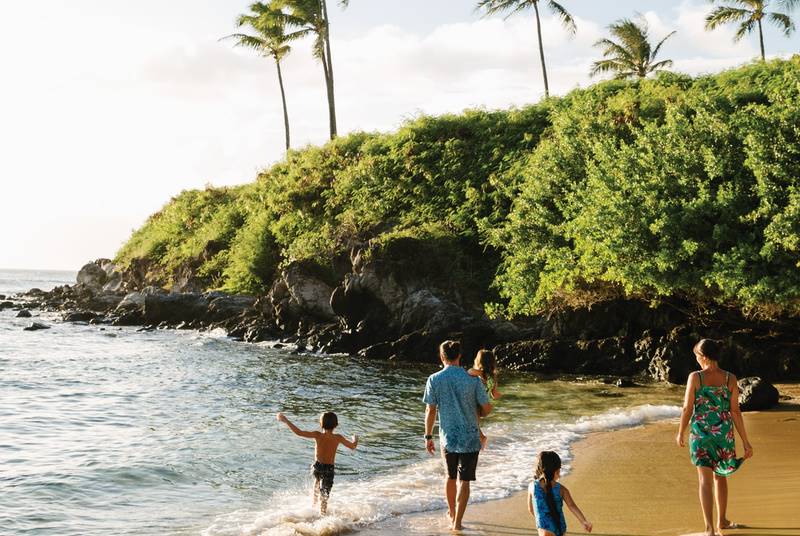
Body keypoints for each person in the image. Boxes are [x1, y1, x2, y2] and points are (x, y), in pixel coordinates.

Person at [675, 338, 753, 536]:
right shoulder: (730, 379)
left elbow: (687, 408)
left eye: (697, 357)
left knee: (704, 481)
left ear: (704, 357)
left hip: (701, 435)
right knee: (721, 477)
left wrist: (680, 431)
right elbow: (735, 411)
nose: (696, 361)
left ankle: (709, 529)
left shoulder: (696, 377)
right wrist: (745, 441)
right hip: (723, 436)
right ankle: (723, 521)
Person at [423, 340, 492, 531]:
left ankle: (451, 511)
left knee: (450, 477)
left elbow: (430, 410)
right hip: (470, 437)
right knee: (465, 480)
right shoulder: (473, 379)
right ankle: (457, 522)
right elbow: (485, 410)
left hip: (448, 437)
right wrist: (483, 409)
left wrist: (428, 436)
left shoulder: (434, 379)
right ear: (460, 356)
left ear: (442, 356)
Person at [276, 411, 358, 515]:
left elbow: (299, 432)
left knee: (317, 481)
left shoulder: (317, 435)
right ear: (336, 425)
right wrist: (355, 439)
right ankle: (322, 513)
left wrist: (286, 420)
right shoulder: (338, 438)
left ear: (320, 424)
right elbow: (352, 447)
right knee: (325, 494)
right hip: (329, 469)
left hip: (318, 466)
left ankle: (313, 504)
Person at [528, 451, 592, 536]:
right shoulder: (562, 490)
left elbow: (530, 509)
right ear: (557, 471)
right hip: (560, 527)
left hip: (544, 528)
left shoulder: (532, 486)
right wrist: (584, 521)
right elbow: (572, 506)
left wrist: (540, 519)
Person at [468, 349, 501, 449]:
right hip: (484, 404)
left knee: (473, 423)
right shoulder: (493, 376)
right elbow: (494, 394)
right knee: (475, 423)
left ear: (478, 361)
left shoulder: (480, 373)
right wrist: (500, 395)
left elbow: (469, 371)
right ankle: (480, 441)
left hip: (476, 403)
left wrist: (478, 372)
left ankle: (481, 438)